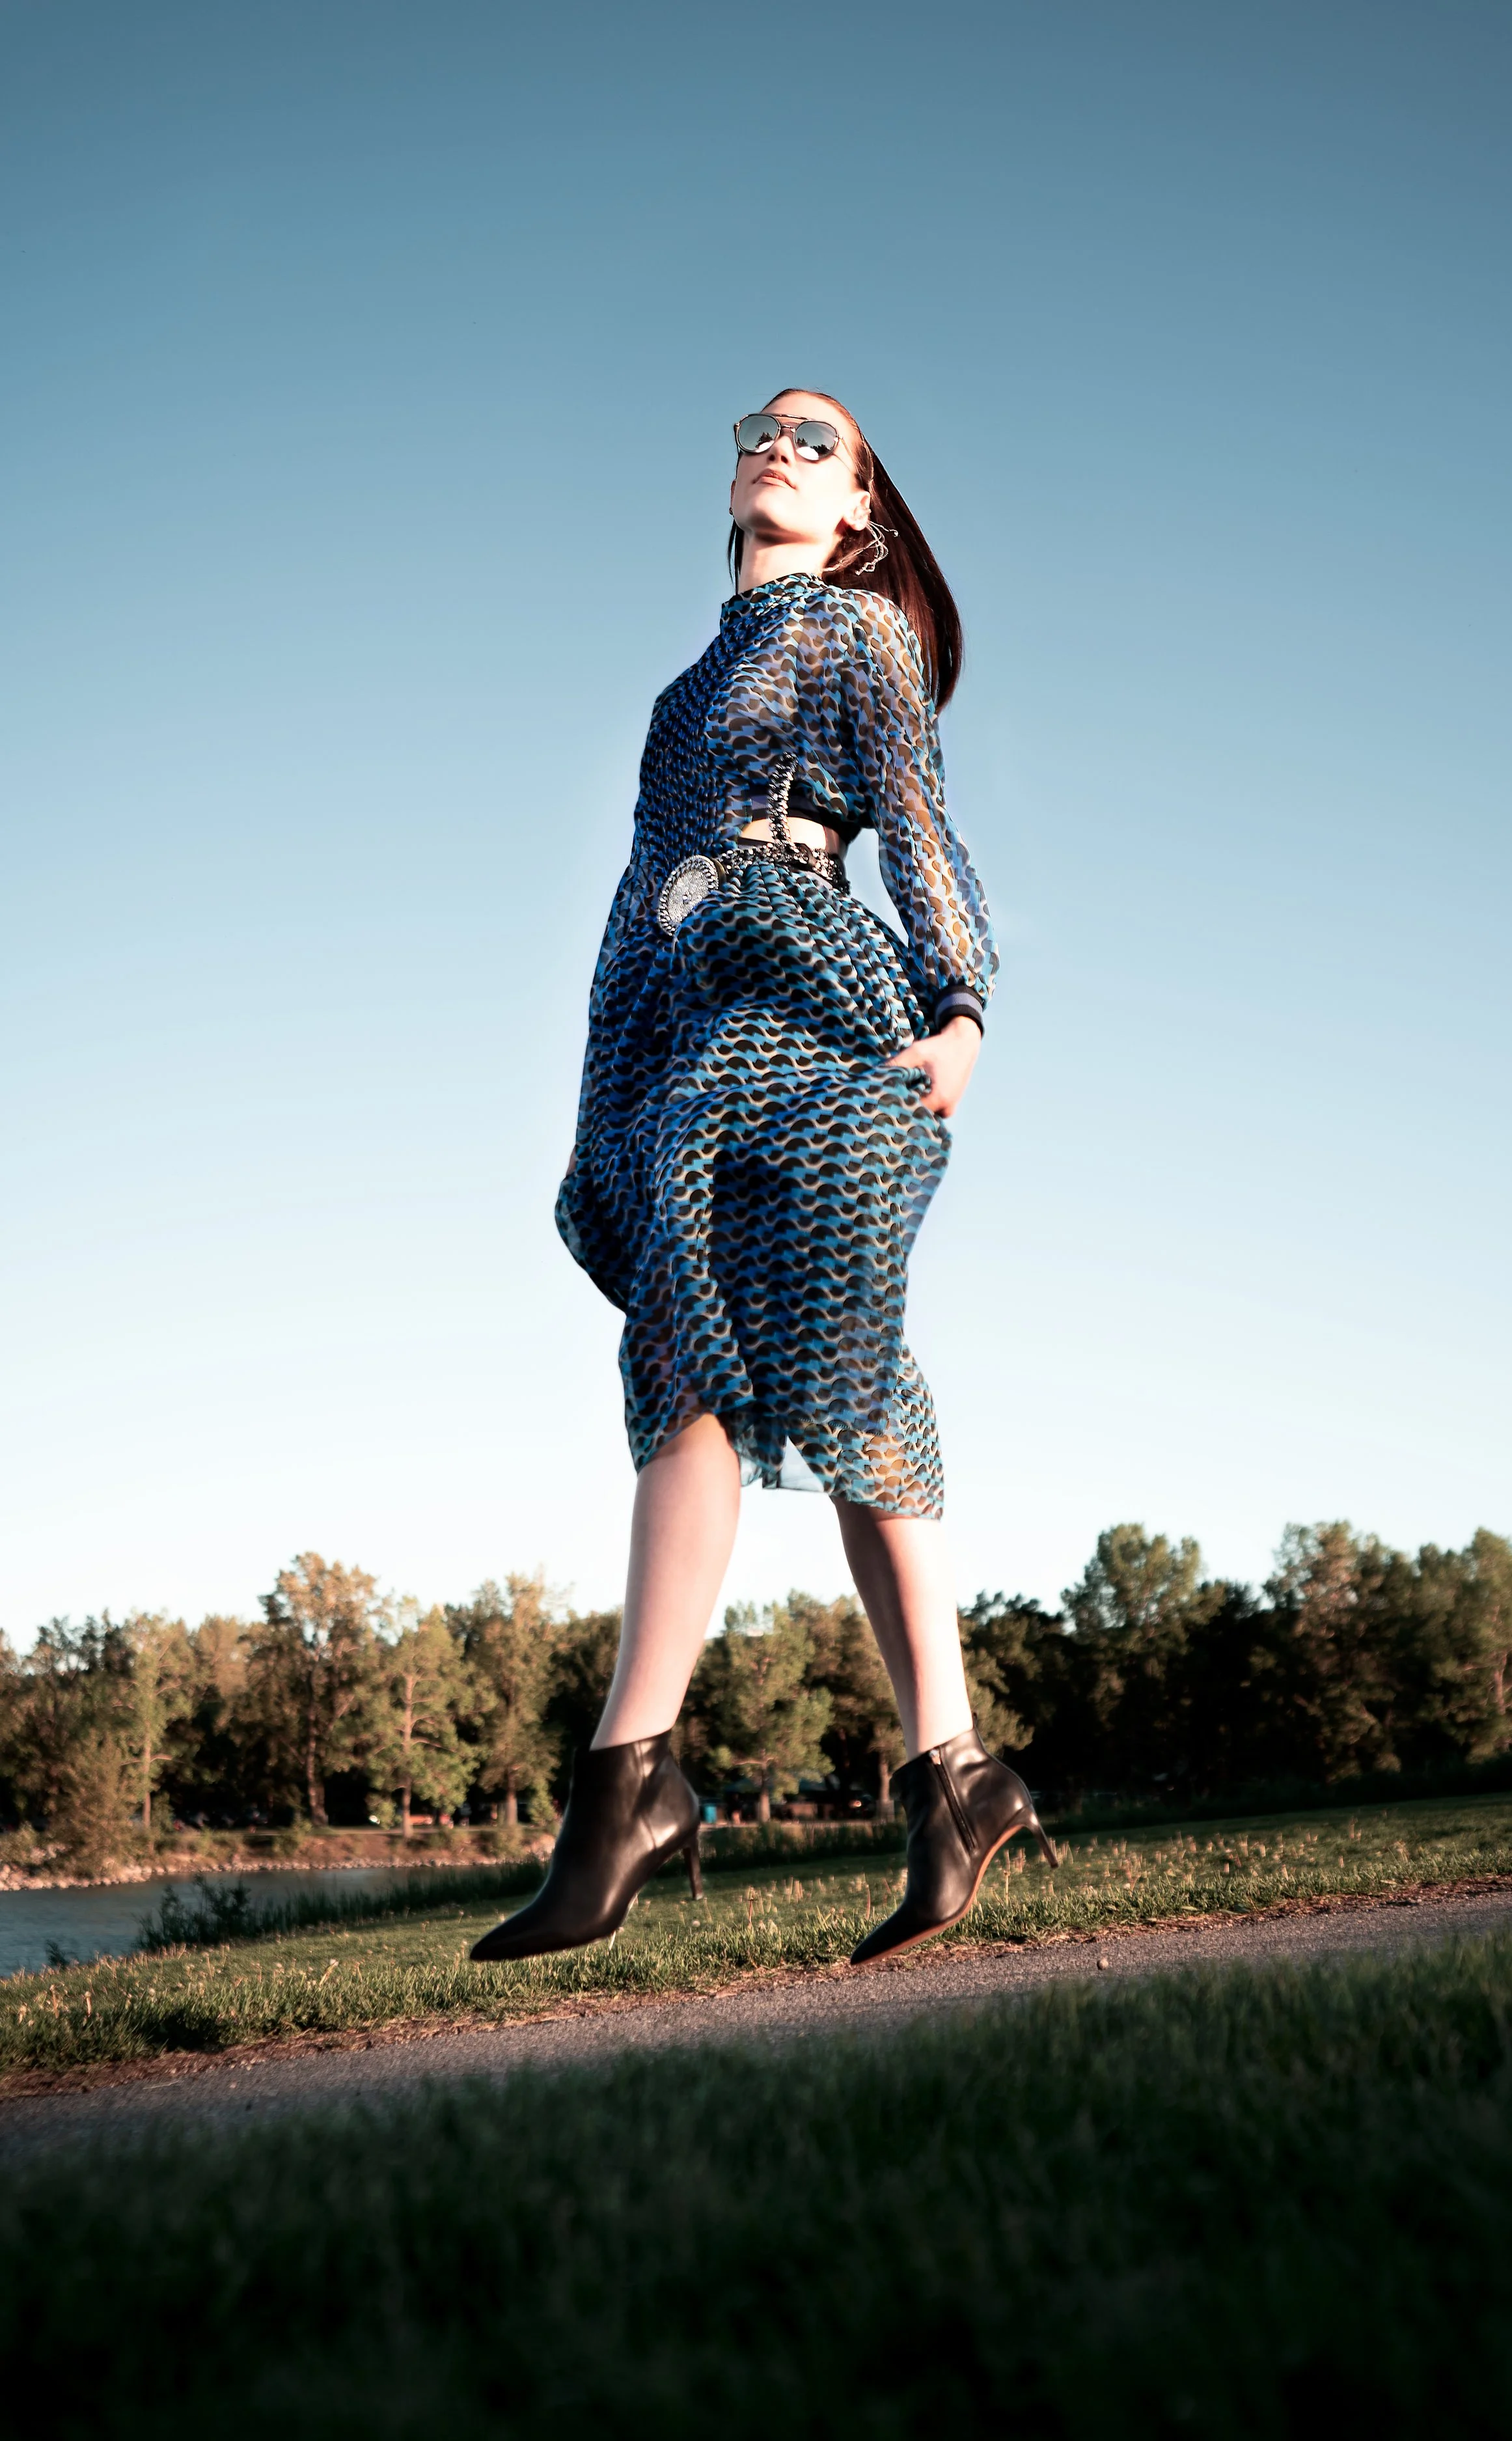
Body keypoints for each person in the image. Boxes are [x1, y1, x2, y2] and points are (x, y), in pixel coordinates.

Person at [471, 391, 1054, 1970]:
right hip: (689, 1019)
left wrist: (962, 1008)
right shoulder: (688, 686)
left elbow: (916, 820)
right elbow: (635, 900)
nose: (779, 446)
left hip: (814, 1004)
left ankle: (723, 1784)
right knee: (729, 1358)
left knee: (781, 1363)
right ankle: (852, 1777)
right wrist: (608, 1081)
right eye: (763, 428)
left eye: (819, 440)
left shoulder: (856, 633)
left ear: (860, 510)